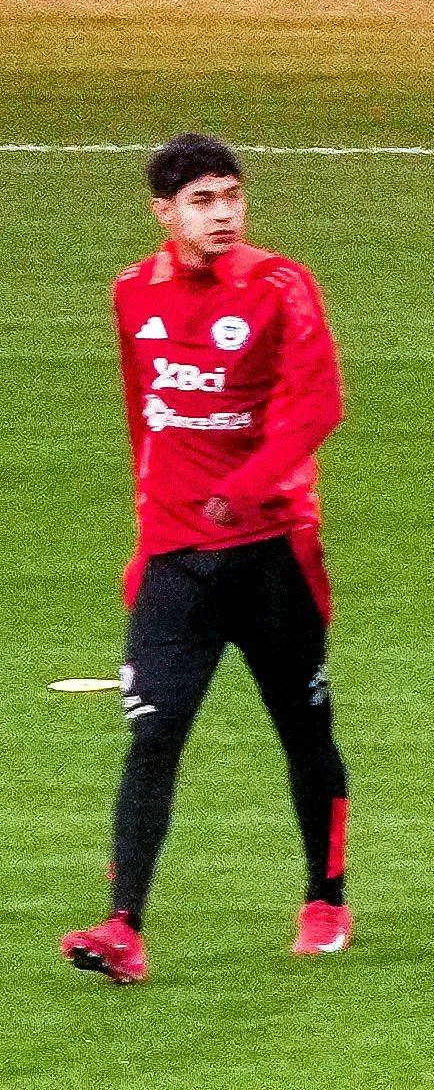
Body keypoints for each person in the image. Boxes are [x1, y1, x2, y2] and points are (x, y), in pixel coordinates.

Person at [65, 133, 346, 985]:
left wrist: (254, 484)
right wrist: (146, 541)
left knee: (303, 730)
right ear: (164, 213)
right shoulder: (131, 295)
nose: (223, 214)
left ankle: (325, 896)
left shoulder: (279, 286)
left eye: (231, 196)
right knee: (153, 735)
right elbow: (142, 419)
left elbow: (320, 404)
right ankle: (123, 926)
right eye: (202, 201)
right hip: (177, 560)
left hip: (273, 555)